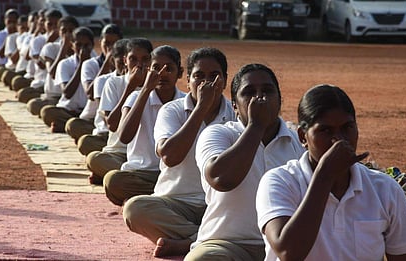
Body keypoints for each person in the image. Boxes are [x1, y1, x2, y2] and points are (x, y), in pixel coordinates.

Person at [256, 84, 406, 261]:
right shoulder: (279, 182)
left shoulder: (385, 189)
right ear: (303, 137)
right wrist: (324, 176)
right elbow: (289, 252)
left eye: (347, 128)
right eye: (325, 131)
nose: (339, 140)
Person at [122, 47, 236, 258]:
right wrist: (201, 108)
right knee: (134, 210)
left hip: (217, 206)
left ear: (225, 80)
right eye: (199, 76)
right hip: (175, 204)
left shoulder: (235, 114)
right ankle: (200, 240)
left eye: (214, 76)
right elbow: (170, 157)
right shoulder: (171, 111)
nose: (206, 83)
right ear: (188, 79)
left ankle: (192, 241)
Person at [184, 63, 305, 261]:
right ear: (234, 106)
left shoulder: (297, 142)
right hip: (229, 245)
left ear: (279, 100)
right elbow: (221, 178)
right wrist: (256, 126)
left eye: (267, 90)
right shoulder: (218, 134)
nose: (260, 97)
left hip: (281, 246)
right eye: (249, 92)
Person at [103, 45, 186, 206]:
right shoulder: (136, 97)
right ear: (148, 70)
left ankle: (148, 198)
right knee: (112, 181)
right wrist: (146, 91)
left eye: (169, 69)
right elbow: (124, 136)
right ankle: (158, 197)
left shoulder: (185, 102)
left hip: (173, 175)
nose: (162, 74)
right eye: (156, 68)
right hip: (140, 173)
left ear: (180, 73)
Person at [85, 38, 153, 185]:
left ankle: (127, 179)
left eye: (145, 59)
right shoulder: (114, 83)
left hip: (147, 157)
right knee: (94, 158)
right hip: (119, 152)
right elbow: (112, 125)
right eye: (133, 59)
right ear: (125, 61)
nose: (139, 64)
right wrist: (131, 86)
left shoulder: (156, 85)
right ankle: (133, 179)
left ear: (151, 61)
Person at [65, 24, 123, 143]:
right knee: (73, 125)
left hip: (118, 124)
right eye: (107, 43)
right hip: (92, 119)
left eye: (114, 44)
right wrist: (107, 62)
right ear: (100, 42)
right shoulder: (90, 64)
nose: (110, 48)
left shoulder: (127, 67)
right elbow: (90, 94)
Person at [77, 38, 129, 156]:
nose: (125, 68)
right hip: (105, 134)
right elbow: (109, 122)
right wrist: (130, 87)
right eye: (120, 63)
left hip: (132, 139)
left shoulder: (146, 83)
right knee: (85, 142)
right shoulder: (104, 81)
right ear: (112, 61)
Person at [40, 26, 96, 133]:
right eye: (78, 45)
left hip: (87, 114)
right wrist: (81, 65)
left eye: (86, 45)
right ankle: (73, 127)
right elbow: (67, 93)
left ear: (92, 46)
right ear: (72, 45)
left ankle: (70, 127)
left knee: (77, 124)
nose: (82, 49)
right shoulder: (65, 64)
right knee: (47, 111)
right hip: (68, 110)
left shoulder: (97, 64)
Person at [26, 16, 79, 116]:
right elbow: (53, 73)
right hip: (53, 96)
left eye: (71, 31)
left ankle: (63, 119)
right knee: (34, 105)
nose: (67, 34)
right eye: (64, 31)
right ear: (59, 32)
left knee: (49, 113)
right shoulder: (50, 47)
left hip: (72, 100)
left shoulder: (84, 51)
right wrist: (64, 47)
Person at [17, 9, 63, 104]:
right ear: (44, 24)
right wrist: (49, 41)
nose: (53, 27)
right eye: (50, 24)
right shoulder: (37, 40)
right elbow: (41, 65)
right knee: (23, 93)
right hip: (40, 83)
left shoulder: (65, 42)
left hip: (59, 86)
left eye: (56, 24)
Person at [0, 14, 28, 89]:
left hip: (25, 71)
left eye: (27, 29)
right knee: (3, 73)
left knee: (17, 81)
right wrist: (21, 47)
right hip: (12, 68)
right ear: (17, 26)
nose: (25, 31)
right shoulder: (12, 37)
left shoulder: (31, 38)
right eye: (22, 28)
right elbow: (13, 60)